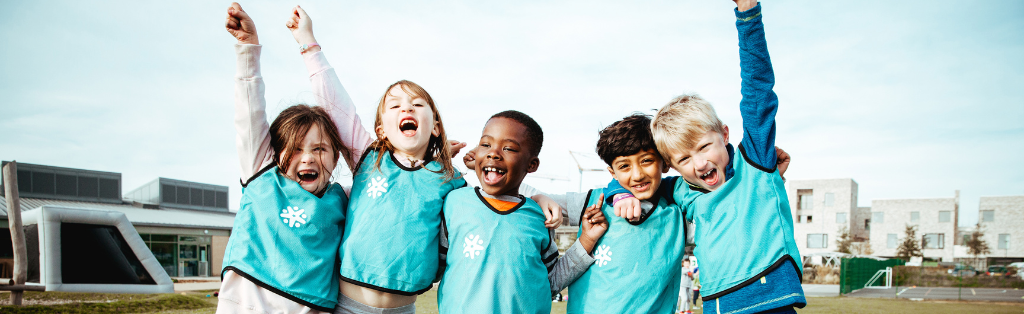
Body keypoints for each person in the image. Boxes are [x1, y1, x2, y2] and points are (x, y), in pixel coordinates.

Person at [285, 6, 563, 314]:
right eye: (395, 106)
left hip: (404, 309)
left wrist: (536, 194)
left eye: (418, 104)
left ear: (435, 127)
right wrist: (308, 44)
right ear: (381, 129)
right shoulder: (369, 157)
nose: (407, 109)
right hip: (348, 304)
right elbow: (337, 107)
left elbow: (494, 187)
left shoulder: (449, 179)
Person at [642, 1, 807, 312]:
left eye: (705, 147)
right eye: (685, 159)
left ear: (725, 134)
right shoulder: (682, 191)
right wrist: (618, 195)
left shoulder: (755, 161)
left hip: (769, 298)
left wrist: (748, 15)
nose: (700, 163)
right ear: (672, 166)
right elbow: (636, 181)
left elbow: (758, 90)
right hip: (718, 305)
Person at [220, 3, 350, 312]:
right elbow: (249, 114)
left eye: (320, 149)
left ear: (336, 157)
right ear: (277, 154)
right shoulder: (261, 175)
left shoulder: (344, 200)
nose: (307, 159)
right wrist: (247, 49)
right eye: (296, 149)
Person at [437, 110, 609, 314]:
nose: (493, 153)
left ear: (532, 164)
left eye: (508, 148)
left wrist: (587, 241)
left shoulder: (538, 217)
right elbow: (433, 267)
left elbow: (551, 281)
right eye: (486, 144)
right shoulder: (455, 202)